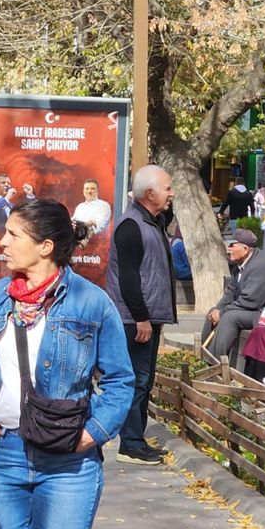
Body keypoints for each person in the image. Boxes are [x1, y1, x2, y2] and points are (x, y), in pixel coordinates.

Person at [0, 199, 134, 529]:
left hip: (68, 461)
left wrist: (92, 434)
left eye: (13, 234)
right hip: (3, 455)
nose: (2, 241)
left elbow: (120, 380)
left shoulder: (91, 302)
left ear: (45, 246)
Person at [106, 165, 177, 466]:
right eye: (167, 188)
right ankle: (131, 444)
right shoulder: (131, 226)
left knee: (144, 380)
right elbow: (128, 277)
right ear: (149, 193)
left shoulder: (153, 221)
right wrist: (141, 317)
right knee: (135, 380)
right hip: (134, 319)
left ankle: (136, 439)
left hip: (148, 316)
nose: (172, 193)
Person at [201, 228, 265, 364]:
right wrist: (218, 310)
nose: (228, 249)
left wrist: (222, 313)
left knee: (229, 318)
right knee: (213, 312)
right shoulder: (241, 263)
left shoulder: (261, 266)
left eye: (232, 245)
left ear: (245, 249)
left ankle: (214, 364)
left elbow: (250, 301)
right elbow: (231, 292)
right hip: (251, 309)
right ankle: (203, 357)